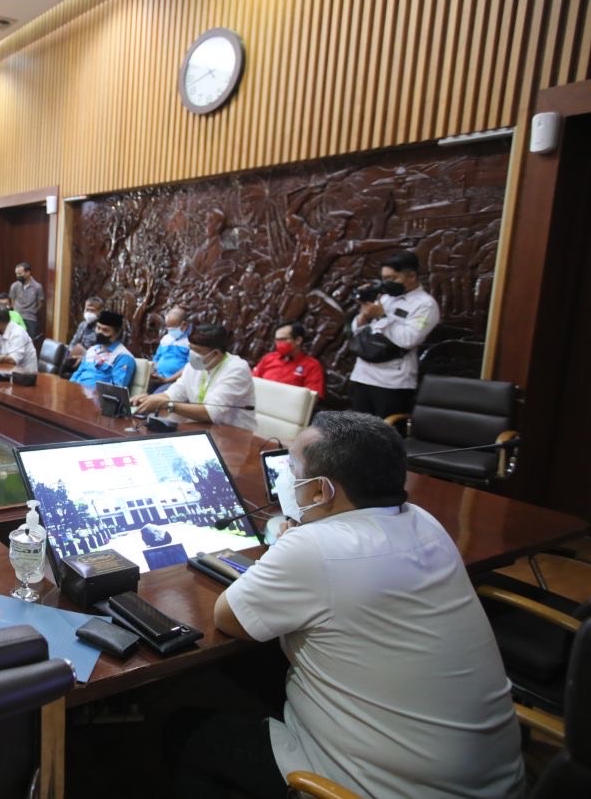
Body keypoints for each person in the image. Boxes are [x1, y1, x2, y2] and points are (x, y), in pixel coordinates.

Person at [180, 411, 525, 798]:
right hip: (496, 780)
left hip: (383, 789)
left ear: (319, 491)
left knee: (187, 730)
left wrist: (291, 547)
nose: (285, 481)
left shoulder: (312, 549)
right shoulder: (424, 521)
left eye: (292, 470)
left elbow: (228, 618)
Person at [349, 250, 441, 418]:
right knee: (359, 434)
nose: (387, 283)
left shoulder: (425, 305)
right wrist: (364, 312)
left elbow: (409, 339)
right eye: (384, 279)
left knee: (385, 437)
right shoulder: (385, 298)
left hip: (392, 382)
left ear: (411, 276)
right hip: (363, 375)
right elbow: (359, 331)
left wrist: (382, 315)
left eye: (392, 279)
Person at [131, 322, 257, 431]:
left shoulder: (237, 369)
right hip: (202, 429)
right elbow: (176, 392)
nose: (192, 354)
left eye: (197, 351)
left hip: (235, 436)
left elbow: (212, 413)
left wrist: (166, 404)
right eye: (191, 349)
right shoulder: (194, 365)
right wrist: (151, 399)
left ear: (216, 353)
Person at [252, 320, 326, 399]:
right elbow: (252, 382)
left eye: (283, 339)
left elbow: (312, 398)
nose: (279, 343)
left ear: (298, 340)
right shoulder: (269, 358)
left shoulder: (312, 365)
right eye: (277, 340)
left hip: (287, 408)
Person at [69, 310, 137, 388]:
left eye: (105, 330)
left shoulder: (123, 357)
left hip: (97, 398)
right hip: (77, 393)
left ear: (117, 333)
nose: (99, 332)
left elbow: (116, 389)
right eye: (98, 328)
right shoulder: (92, 350)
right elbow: (77, 374)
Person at [0, 303, 38, 373]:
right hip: (9, 372)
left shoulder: (18, 333)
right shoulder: (1, 332)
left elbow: (13, 360)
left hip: (25, 376)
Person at [148, 306, 190, 390]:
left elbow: (189, 368)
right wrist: (153, 372)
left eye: (173, 328)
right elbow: (156, 359)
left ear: (184, 325)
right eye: (168, 328)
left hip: (174, 381)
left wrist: (167, 380)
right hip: (158, 378)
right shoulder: (166, 339)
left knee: (155, 398)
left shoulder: (190, 342)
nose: (170, 331)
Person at [9, 262, 45, 340]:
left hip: (30, 318)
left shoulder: (37, 287)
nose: (18, 276)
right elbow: (12, 300)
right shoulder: (14, 286)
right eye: (17, 274)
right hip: (16, 317)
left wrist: (33, 311)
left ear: (28, 272)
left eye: (20, 274)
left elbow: (40, 303)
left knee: (29, 341)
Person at [66, 296, 105, 364]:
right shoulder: (82, 325)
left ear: (100, 312)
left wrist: (84, 358)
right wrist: (70, 353)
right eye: (87, 310)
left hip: (90, 362)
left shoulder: (102, 329)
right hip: (75, 358)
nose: (89, 313)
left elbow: (102, 353)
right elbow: (74, 342)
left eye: (92, 310)